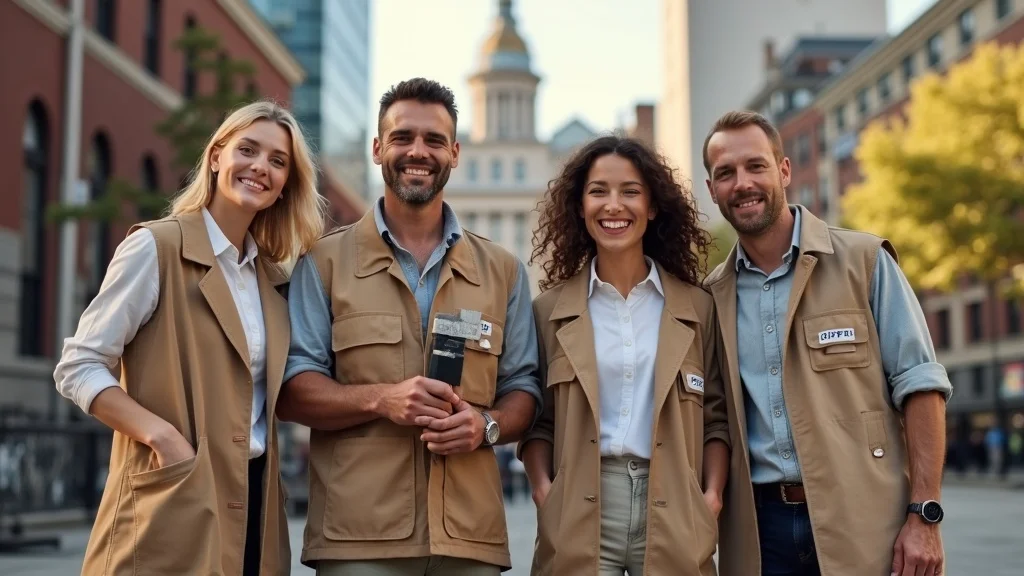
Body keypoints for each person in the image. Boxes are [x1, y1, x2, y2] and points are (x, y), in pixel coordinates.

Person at [277, 77, 542, 576]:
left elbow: (524, 389)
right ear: (378, 149)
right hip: (358, 542)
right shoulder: (323, 262)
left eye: (434, 140)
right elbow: (292, 390)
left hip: (469, 540)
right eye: (402, 138)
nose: (418, 151)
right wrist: (381, 399)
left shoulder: (504, 269)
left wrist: (485, 427)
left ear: (455, 153)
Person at [54, 100, 327, 575]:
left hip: (256, 505)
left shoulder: (272, 281)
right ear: (217, 156)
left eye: (278, 161)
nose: (260, 167)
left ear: (286, 186)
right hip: (175, 492)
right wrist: (163, 437)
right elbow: (78, 366)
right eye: (248, 149)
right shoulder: (155, 248)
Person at [701, 110, 952, 576]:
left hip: (865, 522)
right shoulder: (711, 296)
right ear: (713, 189)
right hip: (759, 535)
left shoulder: (865, 261)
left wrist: (925, 515)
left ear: (784, 170)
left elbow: (922, 385)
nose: (742, 183)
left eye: (756, 166)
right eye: (725, 173)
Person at [520, 135, 731, 576]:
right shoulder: (548, 312)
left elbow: (716, 417)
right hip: (579, 507)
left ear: (652, 207)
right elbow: (539, 420)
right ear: (579, 206)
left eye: (630, 192)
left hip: (676, 503)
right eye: (598, 191)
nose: (613, 205)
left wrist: (710, 497)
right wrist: (544, 491)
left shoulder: (698, 308)